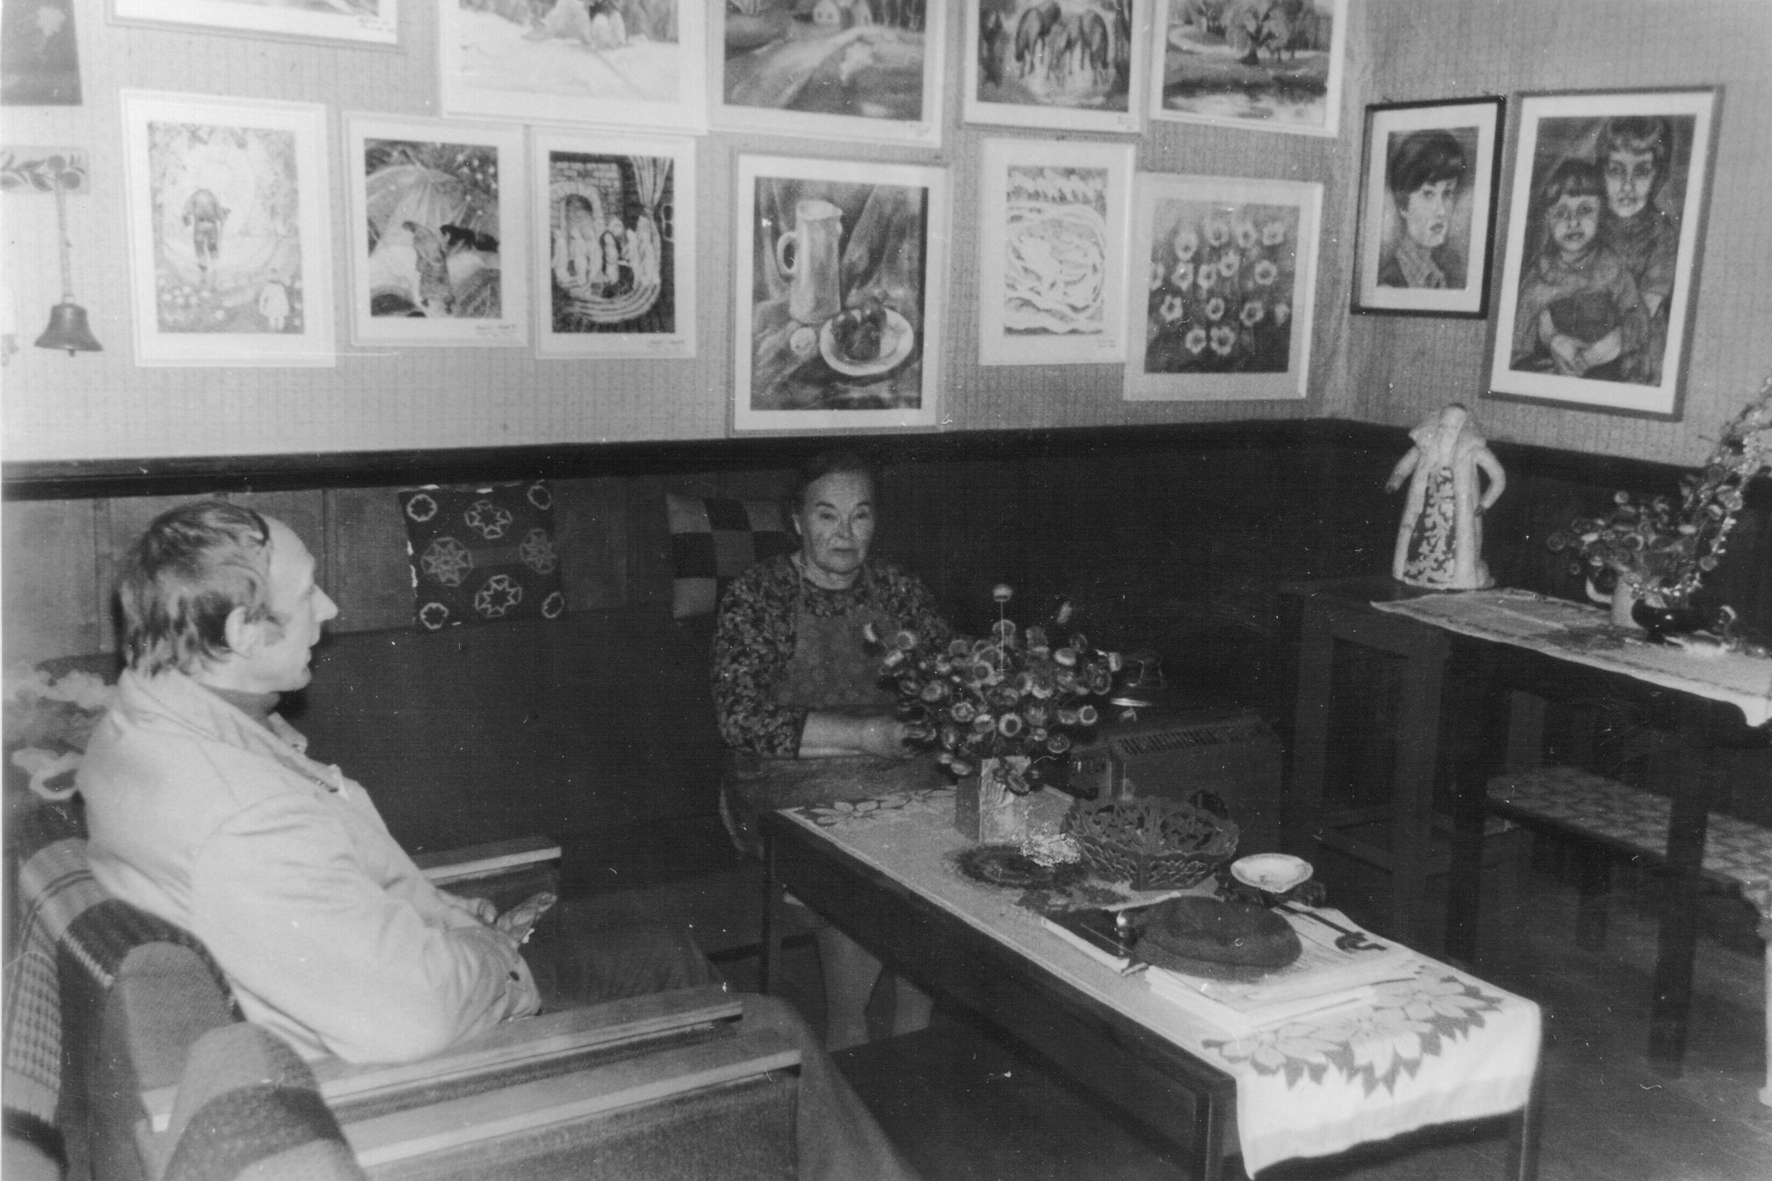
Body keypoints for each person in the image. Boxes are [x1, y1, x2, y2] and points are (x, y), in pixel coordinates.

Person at [77, 501, 917, 1181]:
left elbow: (328, 898)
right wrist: (489, 951)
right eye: (308, 595)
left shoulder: (150, 727)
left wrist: (442, 912)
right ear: (237, 633)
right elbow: (409, 1016)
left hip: (394, 986)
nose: (329, 611)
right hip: (431, 1088)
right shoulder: (237, 817)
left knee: (663, 952)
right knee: (771, 1032)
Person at [714, 452, 948, 1050]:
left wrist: (926, 723)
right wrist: (865, 736)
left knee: (942, 849)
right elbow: (741, 720)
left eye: (860, 515)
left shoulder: (898, 589)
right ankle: (848, 1026)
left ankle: (913, 1026)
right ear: (797, 521)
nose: (845, 533)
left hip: (895, 770)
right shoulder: (760, 594)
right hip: (783, 777)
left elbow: (946, 687)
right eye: (827, 515)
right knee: (862, 856)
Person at [1510, 158, 1648, 381]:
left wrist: (1612, 343)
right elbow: (1517, 342)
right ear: (1547, 219)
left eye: (1585, 210)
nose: (1573, 222)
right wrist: (1553, 340)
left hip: (1606, 371)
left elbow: (1637, 319)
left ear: (1601, 213)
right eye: (1561, 213)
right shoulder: (1539, 275)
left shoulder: (1611, 267)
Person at [1385, 403, 1507, 590]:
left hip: (1456, 513)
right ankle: (1416, 573)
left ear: (1463, 429)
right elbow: (1403, 467)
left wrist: (1485, 503)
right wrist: (1395, 481)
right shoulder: (1425, 446)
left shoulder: (1473, 450)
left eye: (1453, 427)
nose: (1446, 432)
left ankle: (1455, 579)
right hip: (1426, 509)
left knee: (1456, 547)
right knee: (1418, 541)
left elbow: (1498, 477)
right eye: (1443, 426)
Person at [1597, 116, 1680, 385]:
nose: (1628, 186)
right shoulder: (1589, 222)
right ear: (1601, 171)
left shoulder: (1662, 233)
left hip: (1637, 354)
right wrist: (1555, 339)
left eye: (1642, 172)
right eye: (1616, 171)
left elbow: (1643, 313)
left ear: (1658, 175)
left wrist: (1588, 357)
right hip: (1585, 344)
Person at [1377, 129, 1467, 290]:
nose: (1441, 211)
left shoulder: (1438, 276)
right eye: (1428, 194)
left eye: (1447, 193)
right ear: (1403, 204)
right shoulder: (1389, 285)